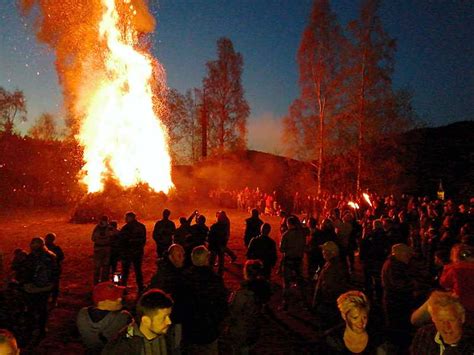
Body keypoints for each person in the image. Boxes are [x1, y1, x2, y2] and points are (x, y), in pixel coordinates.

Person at [182, 246, 228, 354]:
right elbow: (222, 305)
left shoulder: (184, 278)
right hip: (209, 329)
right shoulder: (215, 279)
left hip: (190, 329)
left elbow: (179, 305)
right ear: (207, 259)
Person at [102, 289, 173, 354]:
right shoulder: (121, 346)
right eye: (163, 318)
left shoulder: (170, 337)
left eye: (169, 316)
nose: (169, 322)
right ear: (146, 321)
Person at [224, 260, 272, 354]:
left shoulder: (244, 292)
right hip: (254, 324)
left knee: (239, 348)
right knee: (247, 347)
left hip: (241, 326)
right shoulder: (263, 287)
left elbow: (235, 310)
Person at [323, 291, 393, 354]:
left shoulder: (377, 337)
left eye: (364, 317)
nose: (361, 322)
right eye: (355, 317)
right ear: (344, 316)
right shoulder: (333, 339)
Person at [148, 244, 187, 355]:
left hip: (176, 316)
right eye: (179, 255)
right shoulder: (165, 276)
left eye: (183, 255)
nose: (182, 258)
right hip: (168, 318)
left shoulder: (175, 270)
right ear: (170, 257)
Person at [76, 281, 132, 354]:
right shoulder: (123, 316)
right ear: (101, 302)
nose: (120, 299)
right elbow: (131, 338)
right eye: (114, 298)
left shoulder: (82, 313)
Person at [381, 243, 415, 352]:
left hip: (397, 300)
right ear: (399, 254)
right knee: (398, 326)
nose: (409, 256)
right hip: (396, 301)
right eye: (407, 254)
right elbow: (399, 284)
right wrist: (413, 285)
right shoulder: (393, 266)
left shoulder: (396, 264)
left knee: (398, 325)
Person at [23, 237, 58, 342]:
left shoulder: (30, 258)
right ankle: (42, 329)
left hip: (31, 289)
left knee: (31, 309)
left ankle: (30, 329)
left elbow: (25, 274)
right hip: (45, 288)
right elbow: (56, 273)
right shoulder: (51, 256)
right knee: (42, 309)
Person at [312, 241, 350, 328]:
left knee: (327, 324)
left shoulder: (331, 268)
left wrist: (318, 299)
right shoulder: (333, 264)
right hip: (333, 301)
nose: (322, 252)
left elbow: (327, 286)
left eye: (324, 251)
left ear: (330, 253)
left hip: (328, 302)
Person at [279, 216, 308, 311]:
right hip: (298, 260)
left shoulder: (286, 234)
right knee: (300, 281)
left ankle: (285, 304)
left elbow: (281, 248)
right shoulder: (301, 234)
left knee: (286, 283)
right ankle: (304, 302)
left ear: (289, 224)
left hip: (289, 260)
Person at [119, 212, 146, 294]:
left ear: (131, 218)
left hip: (127, 253)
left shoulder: (125, 228)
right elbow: (143, 240)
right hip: (137, 252)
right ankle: (140, 287)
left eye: (126, 218)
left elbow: (121, 241)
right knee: (138, 270)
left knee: (125, 272)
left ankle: (123, 288)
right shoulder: (141, 227)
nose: (125, 219)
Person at [44, 232, 64, 306]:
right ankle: (53, 299)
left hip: (50, 270)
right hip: (54, 269)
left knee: (49, 284)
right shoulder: (56, 248)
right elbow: (61, 257)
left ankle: (51, 299)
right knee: (54, 285)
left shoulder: (44, 249)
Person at [91, 216, 113, 285]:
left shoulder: (97, 228)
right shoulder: (110, 228)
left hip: (98, 248)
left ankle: (96, 283)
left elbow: (93, 238)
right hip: (106, 248)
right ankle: (104, 283)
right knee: (105, 267)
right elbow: (112, 237)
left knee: (98, 267)